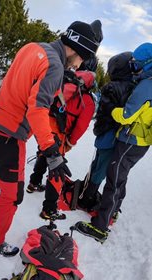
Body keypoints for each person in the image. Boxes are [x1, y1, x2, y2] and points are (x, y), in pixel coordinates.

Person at [0, 20, 102, 256]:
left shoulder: (33, 47)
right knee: (14, 192)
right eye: (82, 59)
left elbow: (14, 82)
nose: (79, 65)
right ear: (77, 50)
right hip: (11, 133)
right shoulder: (55, 65)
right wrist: (52, 152)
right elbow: (37, 109)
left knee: (9, 173)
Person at [74, 42, 152, 243]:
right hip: (138, 139)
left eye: (137, 65)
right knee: (119, 176)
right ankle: (112, 211)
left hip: (131, 139)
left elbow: (126, 115)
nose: (134, 68)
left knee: (113, 179)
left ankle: (100, 226)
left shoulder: (146, 86)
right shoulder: (144, 82)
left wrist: (110, 111)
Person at [26, 68, 96, 221]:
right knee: (57, 167)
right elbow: (81, 126)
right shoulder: (88, 101)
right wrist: (71, 142)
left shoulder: (63, 84)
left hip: (43, 125)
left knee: (44, 152)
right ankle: (49, 209)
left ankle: (33, 183)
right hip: (59, 133)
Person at [77, 51, 136, 212]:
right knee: (101, 167)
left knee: (98, 163)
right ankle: (87, 196)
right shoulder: (130, 88)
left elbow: (105, 110)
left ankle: (86, 191)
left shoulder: (112, 86)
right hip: (112, 133)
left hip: (104, 131)